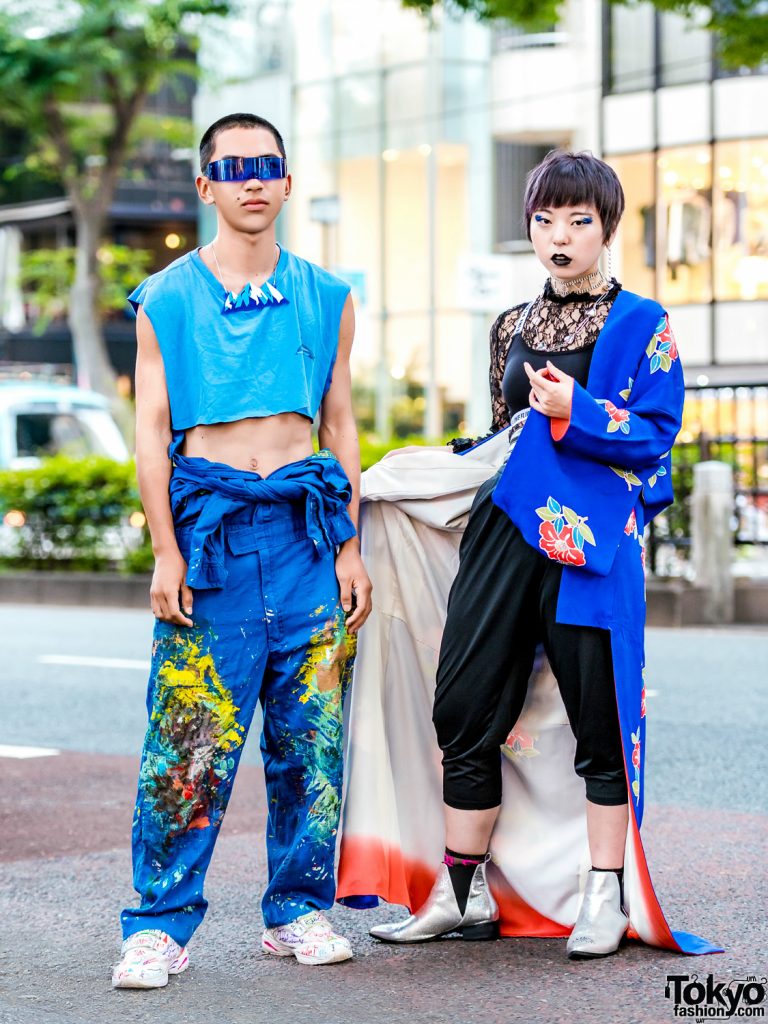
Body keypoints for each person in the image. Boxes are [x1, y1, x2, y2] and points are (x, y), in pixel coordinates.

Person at [340, 150, 717, 959]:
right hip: (505, 538)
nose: (560, 235)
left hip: (590, 550)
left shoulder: (645, 324)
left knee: (600, 718)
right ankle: (461, 892)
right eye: (545, 220)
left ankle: (604, 896)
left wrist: (575, 408)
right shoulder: (509, 325)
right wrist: (419, 474)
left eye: (579, 220)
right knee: (464, 705)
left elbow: (657, 434)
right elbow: (500, 439)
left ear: (607, 229)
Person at [112, 112, 372, 989]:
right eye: (234, 168)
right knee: (189, 735)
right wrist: (164, 551)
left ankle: (299, 910)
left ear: (288, 182)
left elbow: (339, 425)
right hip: (213, 535)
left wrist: (350, 546)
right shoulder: (168, 298)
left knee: (312, 738)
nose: (253, 181)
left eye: (268, 166)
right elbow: (152, 434)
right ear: (206, 187)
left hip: (306, 534)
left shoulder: (326, 295)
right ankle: (157, 923)